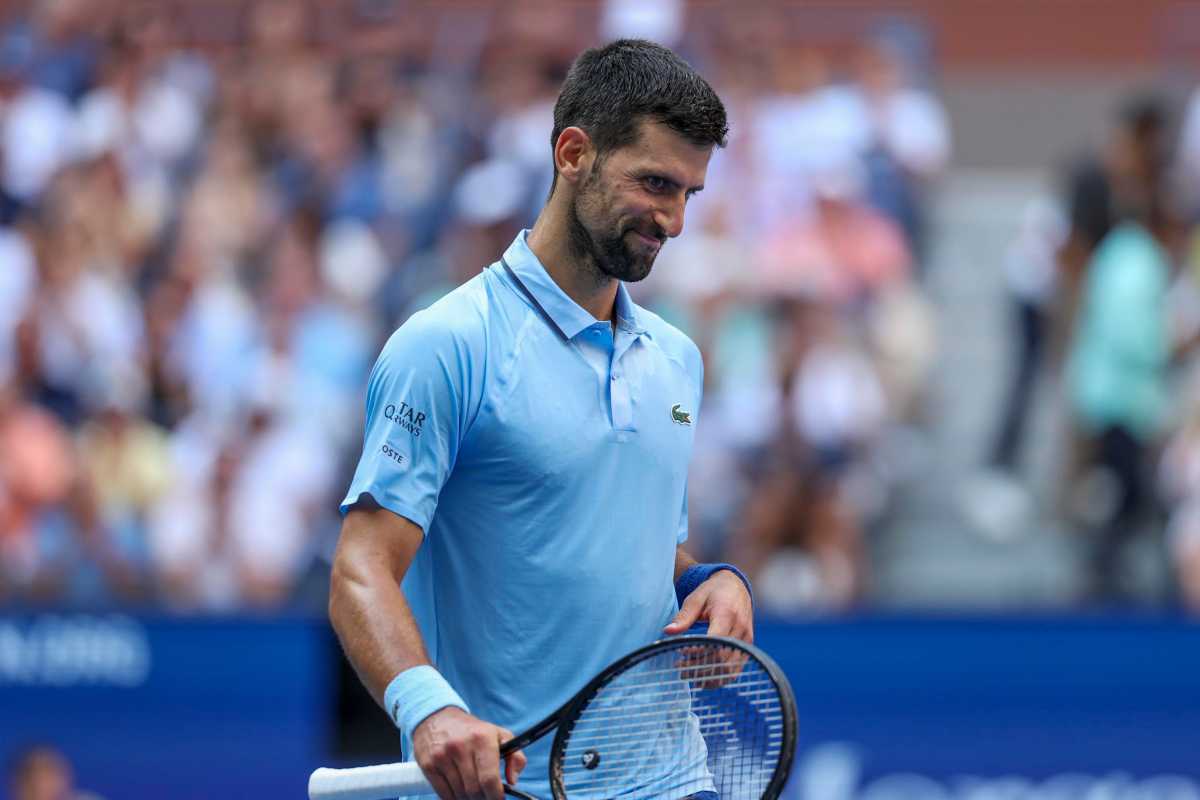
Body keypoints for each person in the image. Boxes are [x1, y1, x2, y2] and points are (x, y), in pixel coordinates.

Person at [329, 39, 754, 800]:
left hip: (674, 779)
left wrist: (712, 581)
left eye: (690, 192)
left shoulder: (677, 359)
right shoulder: (446, 346)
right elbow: (360, 571)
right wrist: (431, 713)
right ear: (573, 153)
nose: (676, 220)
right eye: (656, 183)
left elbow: (642, 542)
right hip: (517, 785)